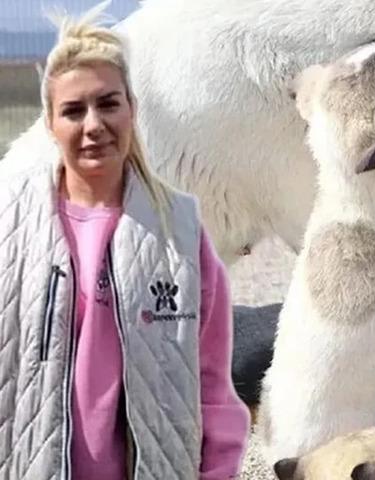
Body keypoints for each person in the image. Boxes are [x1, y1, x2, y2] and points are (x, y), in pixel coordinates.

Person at [0, 6, 249, 479]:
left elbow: (212, 388)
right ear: (51, 123)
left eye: (108, 103)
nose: (93, 124)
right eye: (73, 110)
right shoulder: (7, 228)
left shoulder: (179, 232)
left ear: (131, 109)